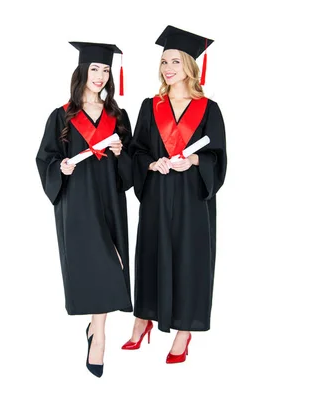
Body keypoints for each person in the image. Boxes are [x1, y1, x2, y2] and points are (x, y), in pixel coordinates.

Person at [121, 25, 227, 363]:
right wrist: (153, 165)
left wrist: (194, 159)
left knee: (190, 259)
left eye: (175, 62)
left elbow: (218, 156)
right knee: (151, 253)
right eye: (164, 61)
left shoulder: (209, 109)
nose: (168, 68)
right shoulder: (149, 106)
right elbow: (136, 151)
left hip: (192, 198)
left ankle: (184, 330)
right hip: (157, 194)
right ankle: (143, 319)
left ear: (190, 68)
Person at [35, 41, 133, 377]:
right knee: (97, 265)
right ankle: (100, 336)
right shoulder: (62, 116)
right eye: (95, 69)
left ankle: (96, 330)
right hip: (77, 202)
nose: (101, 76)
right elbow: (45, 158)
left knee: (113, 262)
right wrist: (58, 168)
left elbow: (129, 172)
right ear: (82, 72)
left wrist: (121, 153)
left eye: (106, 70)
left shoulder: (117, 117)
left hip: (108, 201)